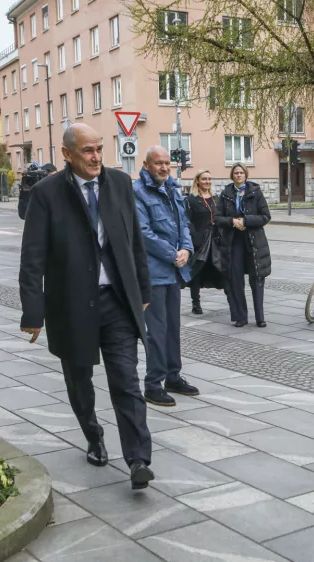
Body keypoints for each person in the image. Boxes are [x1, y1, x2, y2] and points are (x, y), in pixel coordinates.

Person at [19, 124, 156, 490]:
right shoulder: (47, 193)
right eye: (87, 151)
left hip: (117, 301)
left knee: (126, 380)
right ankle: (94, 437)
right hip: (71, 305)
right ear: (67, 154)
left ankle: (138, 459)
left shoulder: (119, 183)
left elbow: (134, 241)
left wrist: (142, 290)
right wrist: (33, 312)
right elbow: (32, 257)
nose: (96, 157)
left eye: (99, 149)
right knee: (80, 381)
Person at [133, 146, 199, 407]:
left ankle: (173, 376)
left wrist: (186, 249)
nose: (163, 167)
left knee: (172, 328)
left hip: (174, 272)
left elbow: (184, 225)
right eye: (158, 163)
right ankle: (153, 384)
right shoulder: (137, 192)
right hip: (154, 273)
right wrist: (173, 254)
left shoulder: (173, 189)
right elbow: (143, 233)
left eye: (166, 163)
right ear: (146, 165)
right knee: (157, 331)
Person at [215, 163, 271, 328]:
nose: (238, 175)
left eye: (241, 172)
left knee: (257, 278)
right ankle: (241, 317)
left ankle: (260, 317)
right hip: (234, 241)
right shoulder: (225, 194)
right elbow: (217, 218)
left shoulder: (255, 192)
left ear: (246, 175)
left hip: (254, 240)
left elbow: (265, 216)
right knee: (236, 279)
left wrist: (245, 221)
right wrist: (233, 221)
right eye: (236, 173)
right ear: (232, 176)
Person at [185, 169, 225, 315]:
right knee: (197, 271)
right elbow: (188, 220)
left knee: (222, 268)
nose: (207, 182)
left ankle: (232, 300)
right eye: (204, 179)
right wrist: (194, 237)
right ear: (197, 181)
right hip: (200, 241)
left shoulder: (216, 198)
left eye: (209, 179)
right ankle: (196, 303)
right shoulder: (192, 199)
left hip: (216, 239)